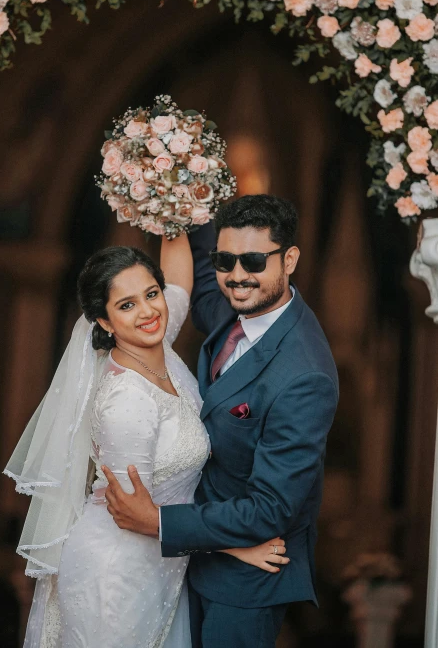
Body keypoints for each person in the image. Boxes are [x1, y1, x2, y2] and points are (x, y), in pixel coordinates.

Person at [5, 239, 288, 648]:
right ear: (103, 322)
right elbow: (134, 514)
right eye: (127, 305)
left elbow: (178, 284)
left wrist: (167, 200)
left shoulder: (158, 348)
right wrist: (238, 547)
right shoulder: (126, 402)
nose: (148, 311)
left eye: (151, 294)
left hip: (159, 566)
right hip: (116, 576)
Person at [103, 194, 339, 648]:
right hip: (187, 562)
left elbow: (272, 508)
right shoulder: (236, 308)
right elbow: (204, 290)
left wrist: (159, 522)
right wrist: (180, 185)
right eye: (225, 260)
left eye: (253, 260)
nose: (236, 276)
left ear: (289, 259)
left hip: (245, 583)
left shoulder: (304, 375)